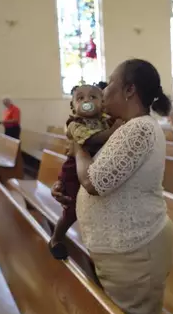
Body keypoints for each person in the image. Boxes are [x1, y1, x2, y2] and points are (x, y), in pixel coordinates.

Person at [51, 59, 173, 314]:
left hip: (135, 251)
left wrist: (78, 146)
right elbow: (91, 171)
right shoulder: (124, 128)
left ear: (130, 90)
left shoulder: (140, 130)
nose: (104, 92)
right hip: (123, 251)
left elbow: (94, 182)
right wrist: (64, 184)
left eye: (110, 83)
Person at [48, 84, 121, 260]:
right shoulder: (75, 124)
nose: (87, 101)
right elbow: (91, 140)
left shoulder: (104, 119)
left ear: (102, 103)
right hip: (74, 170)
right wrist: (113, 130)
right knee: (71, 209)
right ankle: (56, 239)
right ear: (73, 106)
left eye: (92, 97)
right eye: (80, 98)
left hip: (95, 166)